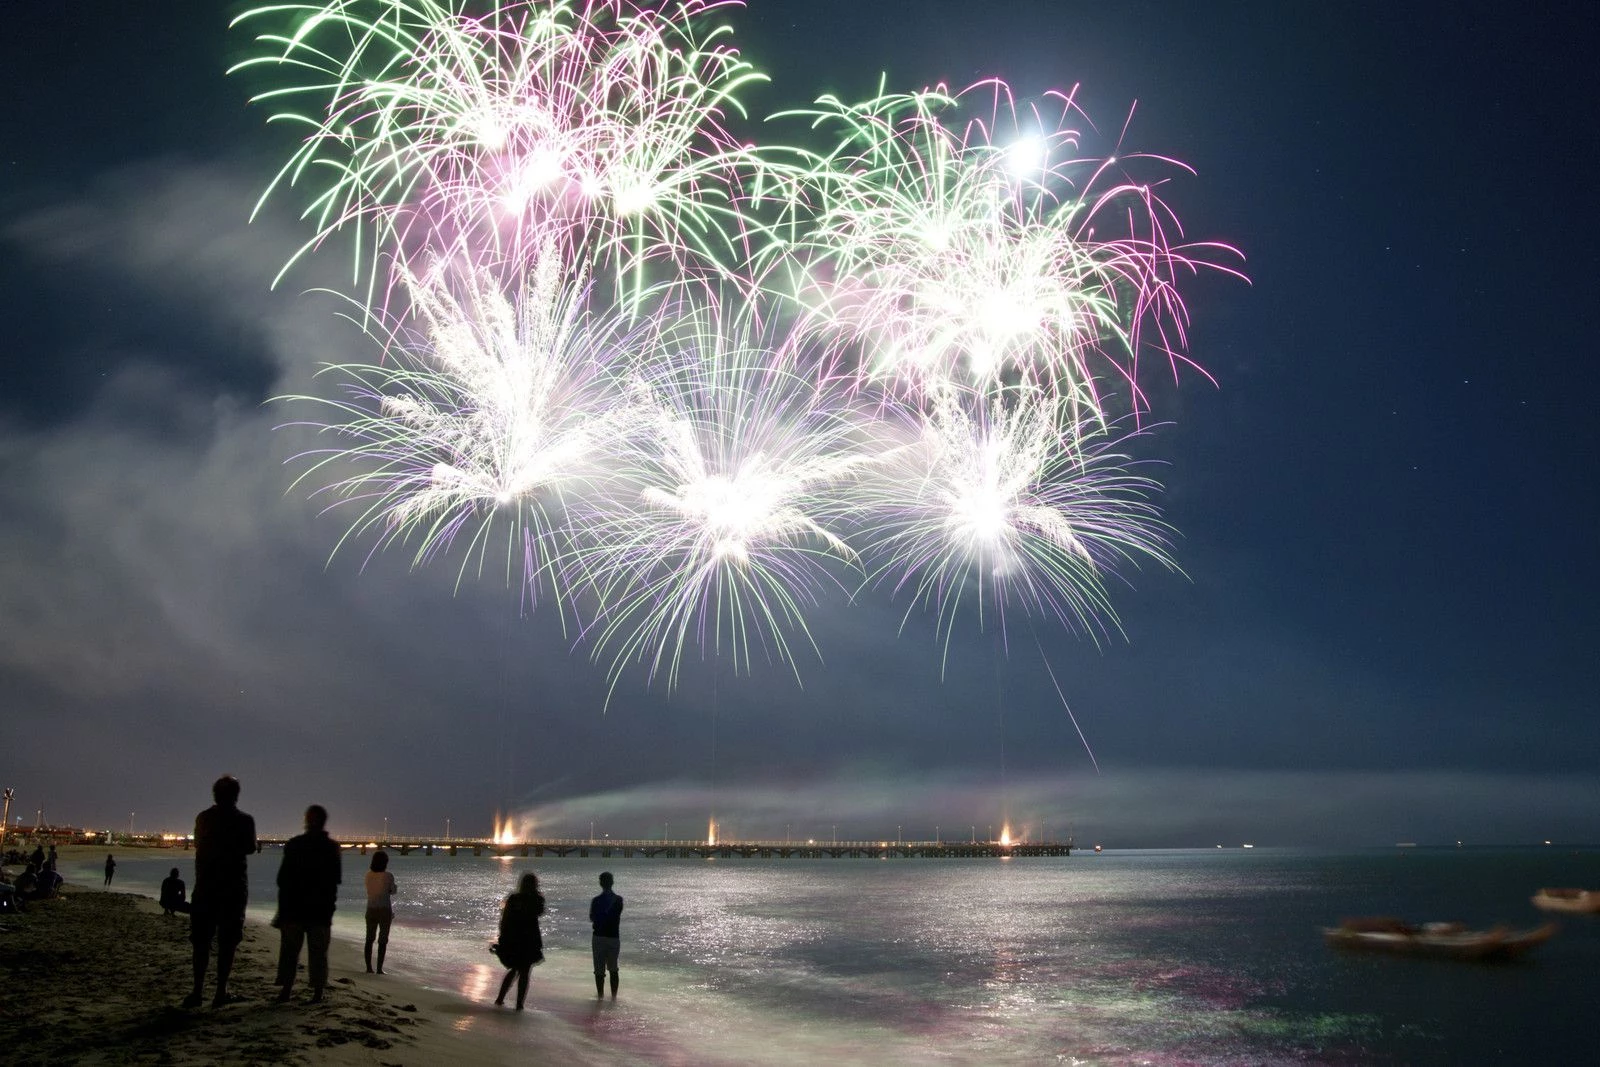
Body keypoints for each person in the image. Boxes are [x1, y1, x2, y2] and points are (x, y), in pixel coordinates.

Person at [185, 774, 259, 1010]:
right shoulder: (245, 820)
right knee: (228, 942)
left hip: (205, 886)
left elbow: (198, 843)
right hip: (233, 888)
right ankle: (220, 991)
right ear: (236, 795)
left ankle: (197, 991)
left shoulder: (203, 818)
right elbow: (249, 847)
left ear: (214, 795)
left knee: (201, 942)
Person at [274, 804, 342, 1004]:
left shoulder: (294, 844)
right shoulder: (331, 847)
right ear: (323, 822)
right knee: (318, 953)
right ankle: (317, 993)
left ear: (306, 821)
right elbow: (335, 880)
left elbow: (282, 879)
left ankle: (286, 990)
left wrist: (282, 908)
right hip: (320, 908)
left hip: (294, 906)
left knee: (290, 952)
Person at [492, 872, 545, 1010]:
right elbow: (539, 912)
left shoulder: (514, 898)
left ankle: (500, 998)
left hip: (514, 938)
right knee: (524, 972)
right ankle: (519, 1004)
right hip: (529, 939)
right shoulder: (536, 899)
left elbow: (504, 919)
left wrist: (502, 937)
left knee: (514, 969)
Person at [590, 871, 623, 999]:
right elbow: (616, 916)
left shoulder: (596, 900)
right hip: (613, 937)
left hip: (598, 936)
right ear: (612, 882)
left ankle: (600, 997)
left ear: (600, 883)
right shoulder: (618, 900)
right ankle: (614, 998)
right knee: (613, 968)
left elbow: (592, 917)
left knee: (599, 970)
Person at [363, 850, 397, 974]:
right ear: (385, 863)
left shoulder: (368, 875)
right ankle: (379, 969)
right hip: (384, 909)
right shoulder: (388, 875)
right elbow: (393, 891)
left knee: (369, 939)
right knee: (383, 940)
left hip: (371, 908)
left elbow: (369, 889)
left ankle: (368, 968)